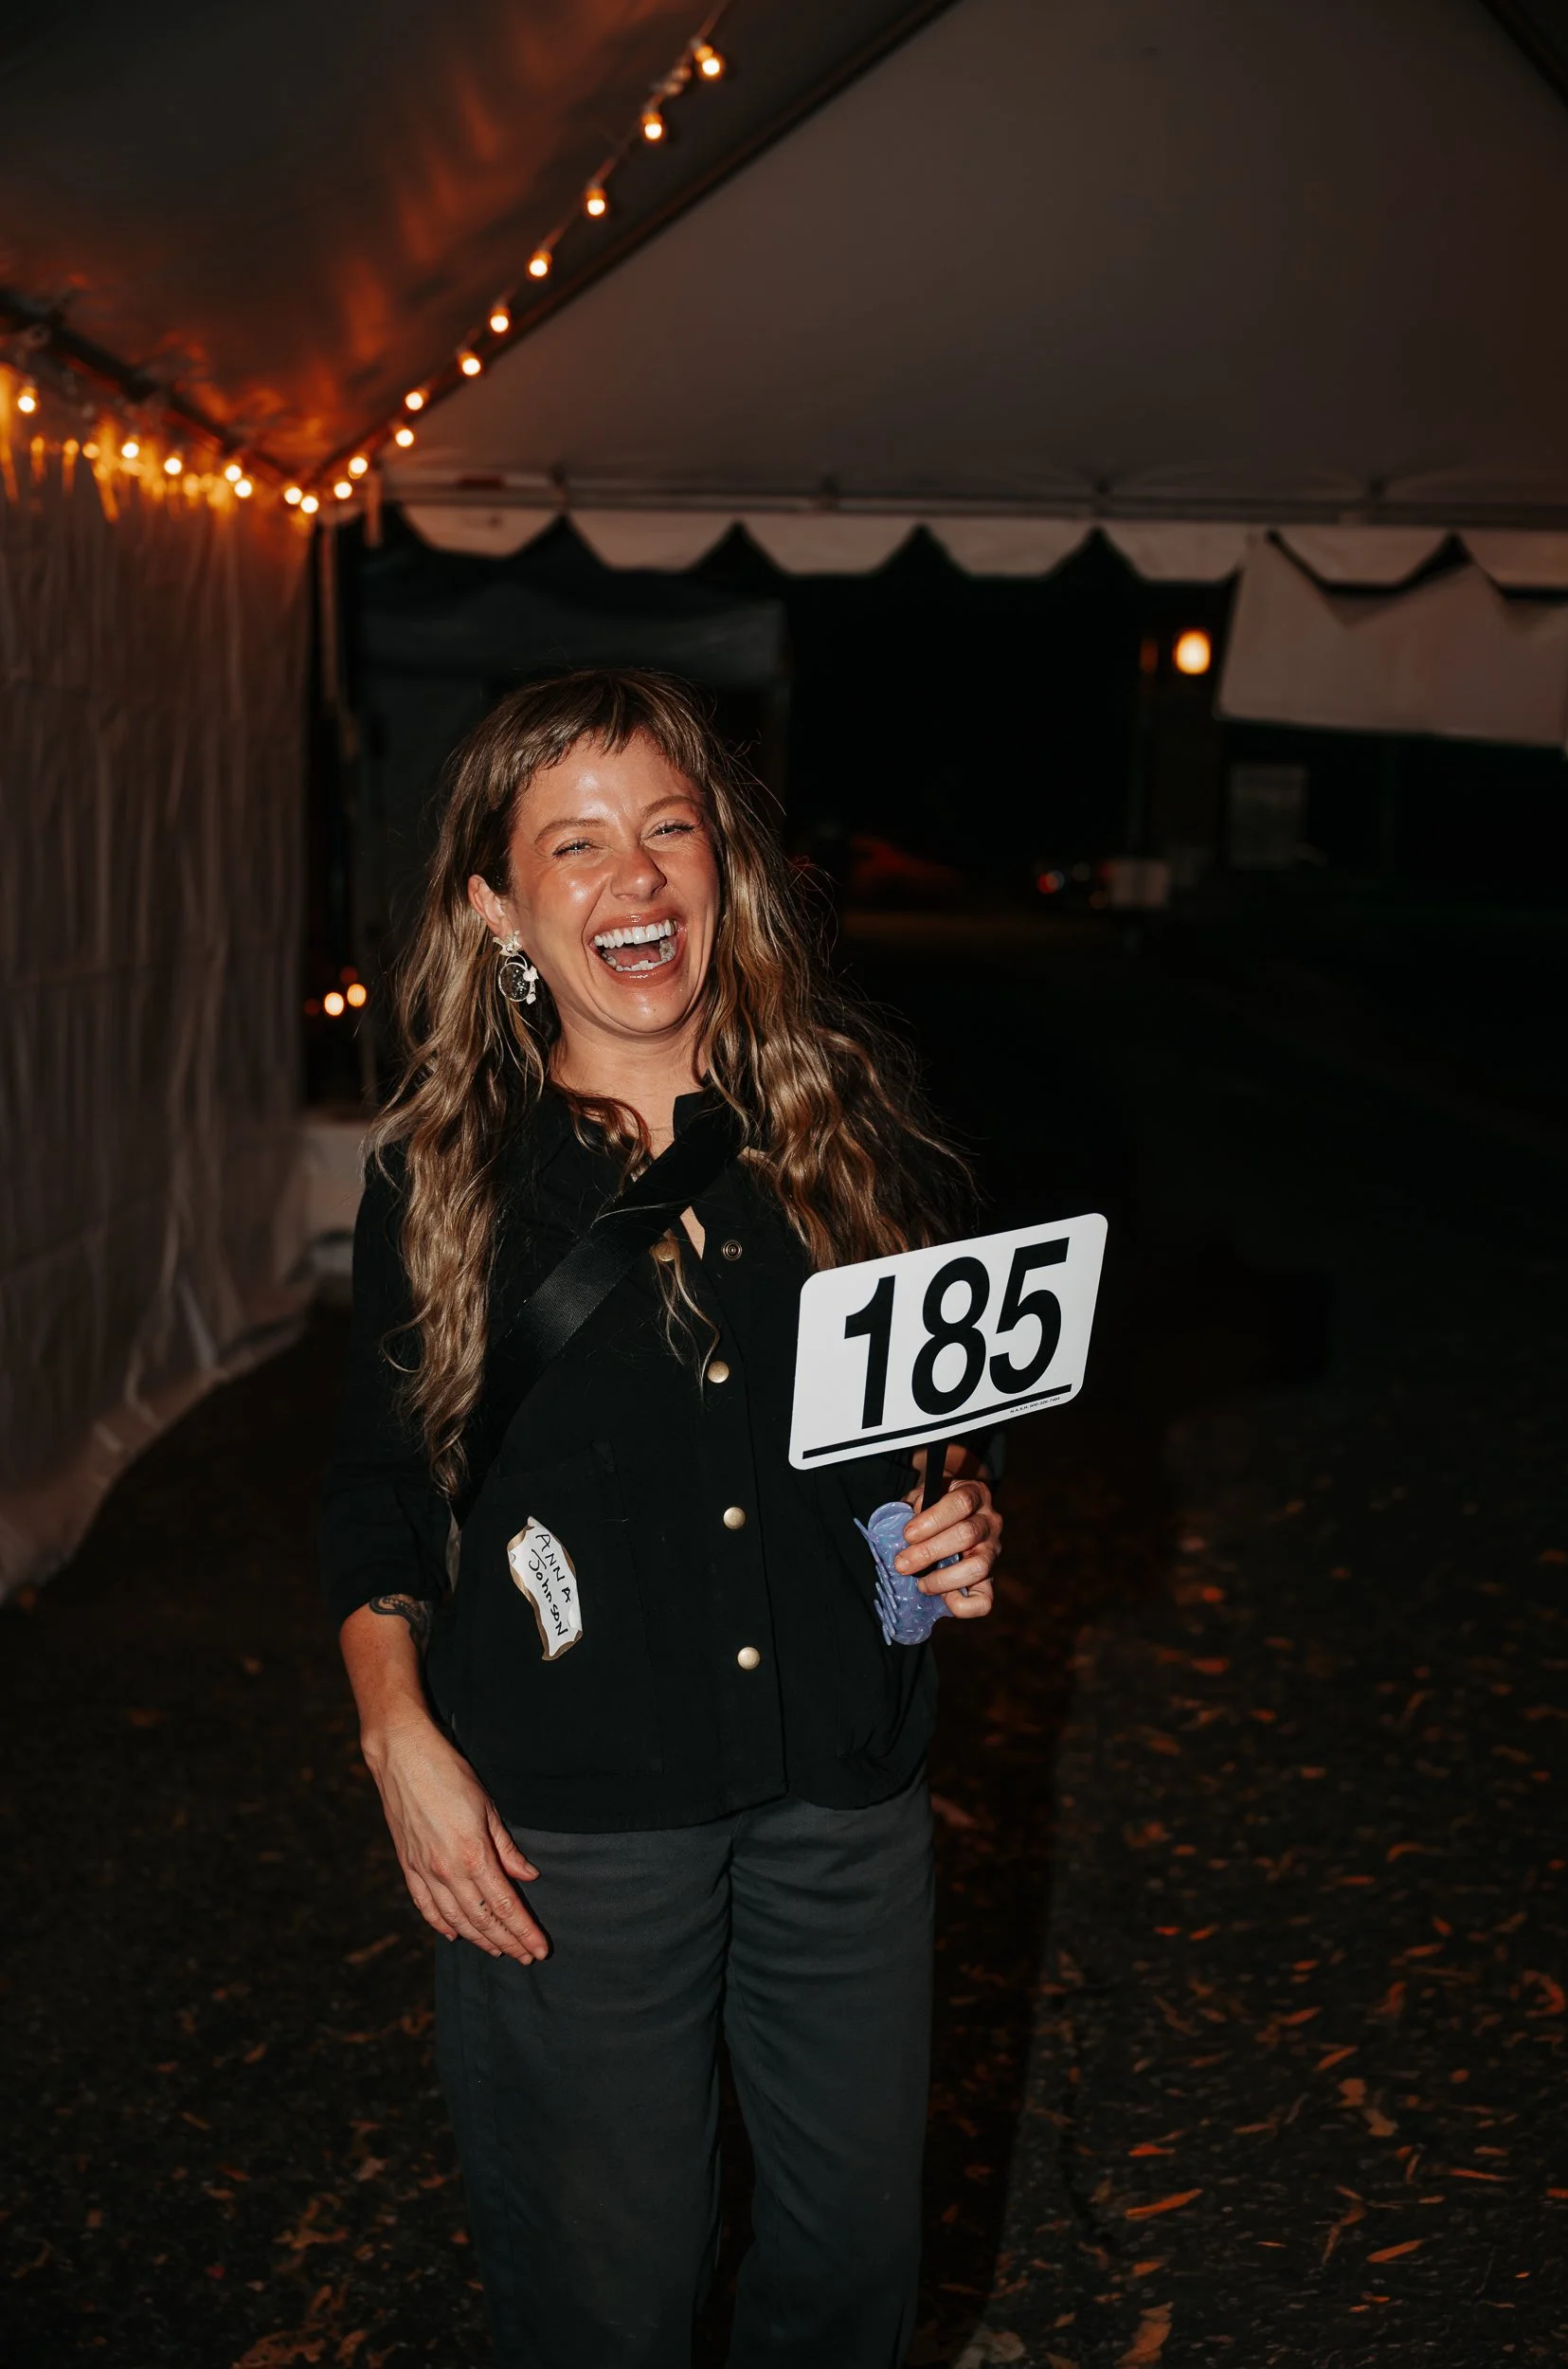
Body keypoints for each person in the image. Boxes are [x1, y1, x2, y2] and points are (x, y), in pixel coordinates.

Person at [319, 670, 1004, 2369]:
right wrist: (399, 1738)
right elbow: (381, 1493)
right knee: (606, 2295)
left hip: (839, 1797)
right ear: (498, 908)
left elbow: (912, 1450)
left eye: (668, 830)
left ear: (723, 868)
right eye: (576, 844)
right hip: (577, 1832)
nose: (636, 880)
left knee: (848, 2277)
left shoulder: (841, 1129)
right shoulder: (443, 1176)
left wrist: (958, 1522)